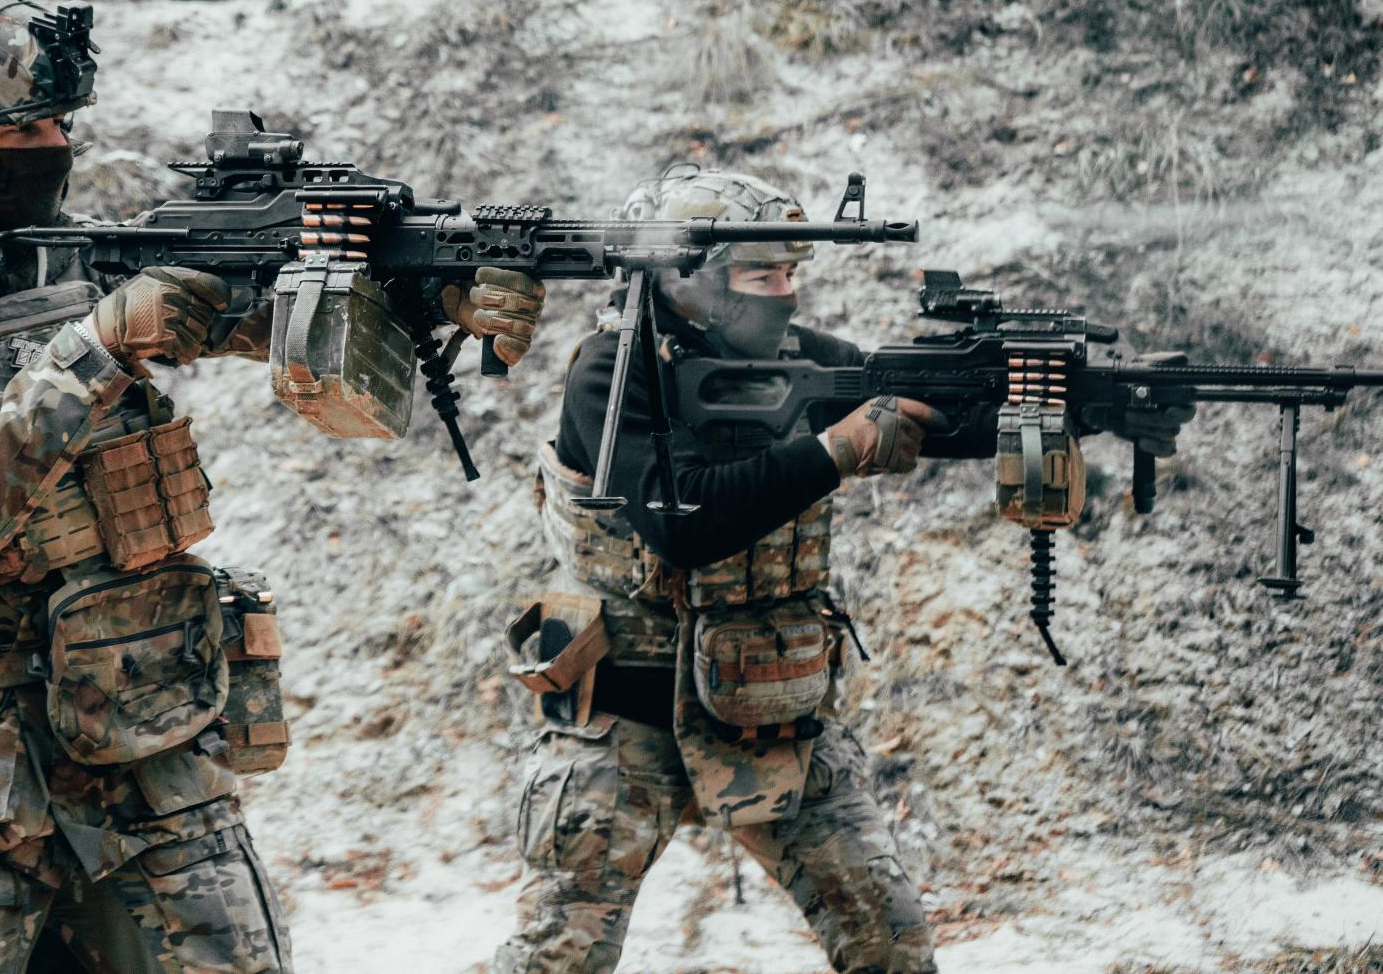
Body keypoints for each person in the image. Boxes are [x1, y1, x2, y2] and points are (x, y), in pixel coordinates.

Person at [0, 0, 545, 973]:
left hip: (140, 724)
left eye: (58, 125)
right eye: (20, 132)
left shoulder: (29, 248)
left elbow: (251, 318)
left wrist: (429, 292)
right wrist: (106, 340)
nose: (50, 151)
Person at [493, 166, 1183, 974]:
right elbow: (686, 526)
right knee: (556, 960)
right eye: (761, 274)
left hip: (769, 714)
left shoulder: (807, 362)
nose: (784, 292)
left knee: (891, 949)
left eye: (792, 272)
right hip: (620, 724)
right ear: (688, 280)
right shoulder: (611, 376)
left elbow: (938, 414)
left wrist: (1087, 404)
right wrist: (838, 448)